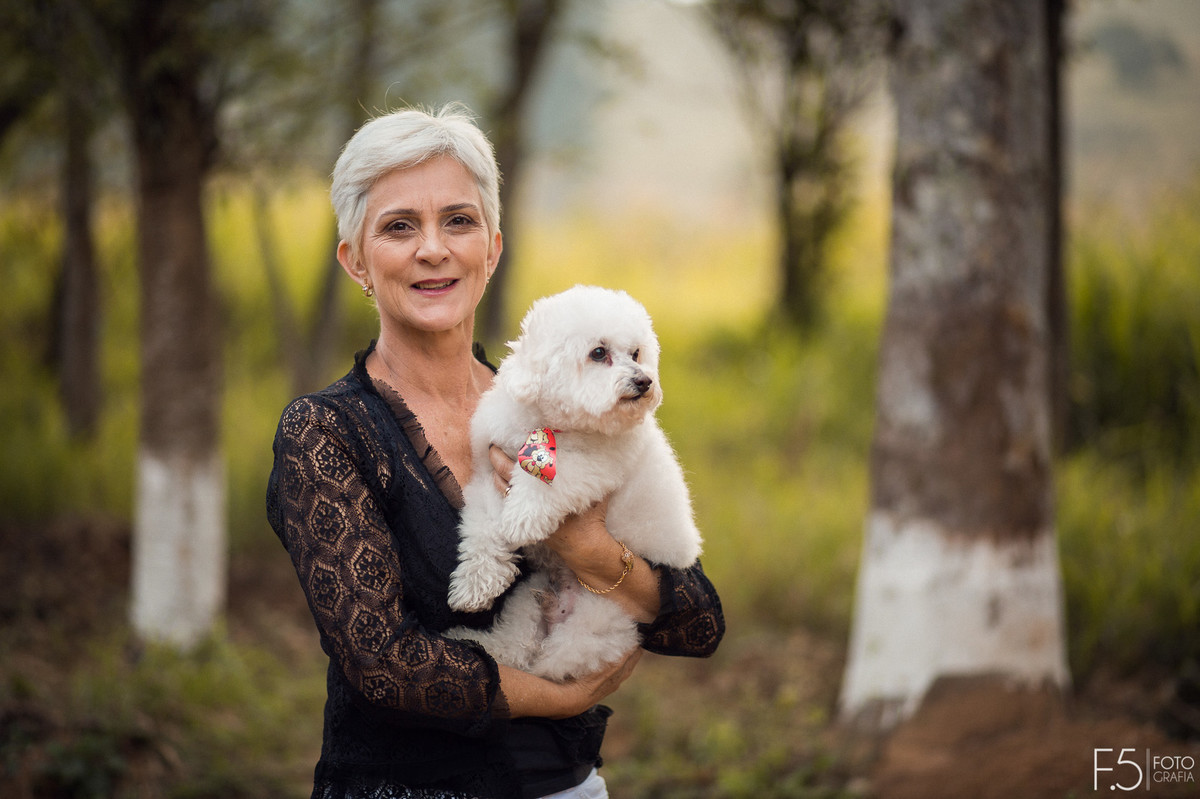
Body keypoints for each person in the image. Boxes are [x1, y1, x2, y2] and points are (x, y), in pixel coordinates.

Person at [266, 104, 724, 799]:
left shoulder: (566, 402)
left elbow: (698, 621)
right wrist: (561, 698)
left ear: (493, 246)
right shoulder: (326, 433)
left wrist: (587, 545)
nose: (433, 249)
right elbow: (384, 665)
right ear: (354, 259)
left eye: (458, 219)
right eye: (398, 226)